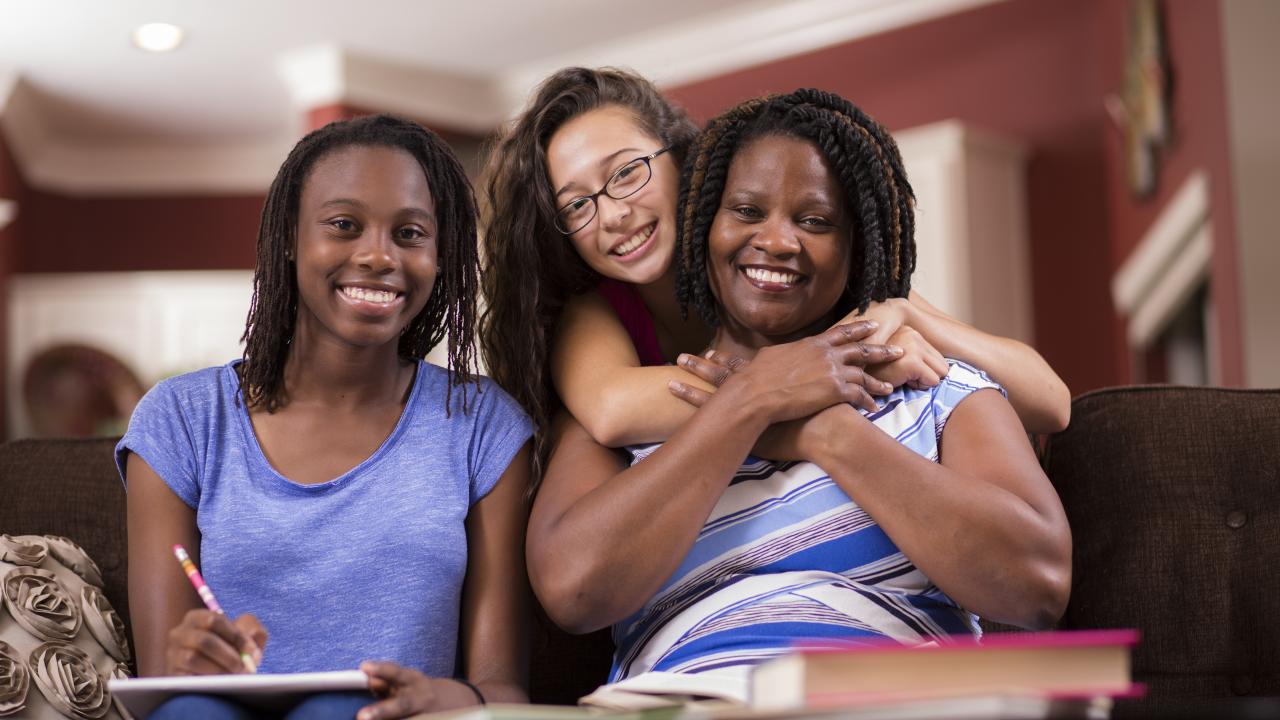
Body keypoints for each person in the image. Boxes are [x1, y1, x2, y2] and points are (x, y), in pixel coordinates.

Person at [525, 90, 1072, 688]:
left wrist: (829, 433)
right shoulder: (630, 407)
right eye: (747, 212)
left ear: (856, 246)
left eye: (815, 221)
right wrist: (754, 401)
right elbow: (572, 593)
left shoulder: (926, 377)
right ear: (703, 221)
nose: (779, 241)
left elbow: (1037, 587)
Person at [118, 115, 533, 720]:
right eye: (344, 225)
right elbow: (161, 683)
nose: (378, 255)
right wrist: (186, 660)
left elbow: (503, 693)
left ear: (440, 257)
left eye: (411, 233)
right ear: (289, 236)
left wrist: (439, 695)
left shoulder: (480, 425)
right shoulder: (181, 420)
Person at [479, 67, 1070, 480]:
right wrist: (821, 378)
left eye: (627, 172)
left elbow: (1050, 402)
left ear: (683, 157)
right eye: (577, 204)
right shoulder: (596, 309)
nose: (612, 213)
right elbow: (614, 411)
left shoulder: (786, 264)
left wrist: (907, 311)